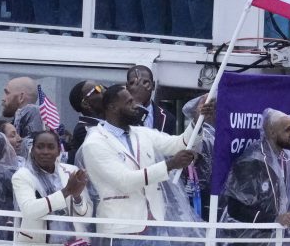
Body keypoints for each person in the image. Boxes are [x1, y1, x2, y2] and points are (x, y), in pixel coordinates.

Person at [77, 84, 209, 239]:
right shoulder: (94, 143)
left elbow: (179, 144)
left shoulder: (141, 133)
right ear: (112, 107)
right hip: (120, 229)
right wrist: (170, 165)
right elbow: (124, 181)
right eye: (129, 103)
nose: (136, 106)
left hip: (155, 226)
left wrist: (197, 120)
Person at [220, 108, 290, 242]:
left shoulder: (287, 159)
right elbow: (235, 208)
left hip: (275, 238)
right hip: (247, 241)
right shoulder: (250, 162)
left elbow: (282, 200)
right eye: (287, 130)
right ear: (272, 132)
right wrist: (274, 220)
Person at [12, 129, 91, 243]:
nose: (45, 151)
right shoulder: (22, 176)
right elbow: (29, 210)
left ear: (59, 151)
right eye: (40, 147)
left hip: (72, 241)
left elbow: (85, 215)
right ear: (32, 150)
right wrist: (66, 191)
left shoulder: (71, 171)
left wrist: (77, 197)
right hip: (37, 241)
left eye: (51, 147)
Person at [126, 65, 175, 134]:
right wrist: (137, 103)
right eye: (133, 83)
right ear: (127, 87)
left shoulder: (167, 118)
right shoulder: (118, 114)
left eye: (145, 82)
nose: (140, 87)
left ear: (153, 85)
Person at [66, 80, 104, 165]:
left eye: (101, 87)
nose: (103, 90)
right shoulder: (83, 129)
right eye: (97, 89)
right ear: (85, 103)